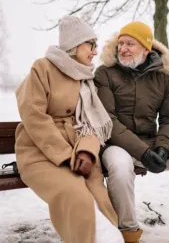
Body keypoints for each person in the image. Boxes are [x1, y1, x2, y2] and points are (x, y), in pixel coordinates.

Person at [94, 21, 169, 243]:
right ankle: (128, 233)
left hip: (151, 142)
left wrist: (164, 149)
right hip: (115, 145)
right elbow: (108, 121)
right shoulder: (105, 74)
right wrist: (143, 152)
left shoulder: (164, 78)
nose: (123, 48)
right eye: (121, 43)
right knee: (120, 166)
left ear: (146, 49)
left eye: (130, 43)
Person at [15, 15, 124, 243]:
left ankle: (110, 238)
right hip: (41, 153)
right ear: (75, 44)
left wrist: (85, 152)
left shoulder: (85, 78)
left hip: (78, 152)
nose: (95, 52)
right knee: (75, 195)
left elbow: (91, 123)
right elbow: (33, 115)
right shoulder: (42, 68)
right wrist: (65, 155)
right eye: (91, 45)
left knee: (98, 196)